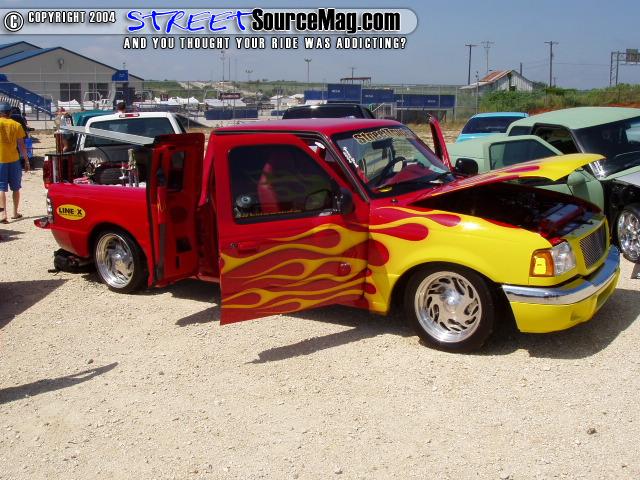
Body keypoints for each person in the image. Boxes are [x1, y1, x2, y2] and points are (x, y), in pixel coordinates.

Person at [0, 102, 29, 223]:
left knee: (1, 188)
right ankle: (15, 213)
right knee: (16, 188)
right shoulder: (17, 125)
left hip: (0, 160)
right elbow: (21, 145)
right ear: (10, 113)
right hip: (14, 159)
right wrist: (26, 160)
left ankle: (3, 214)